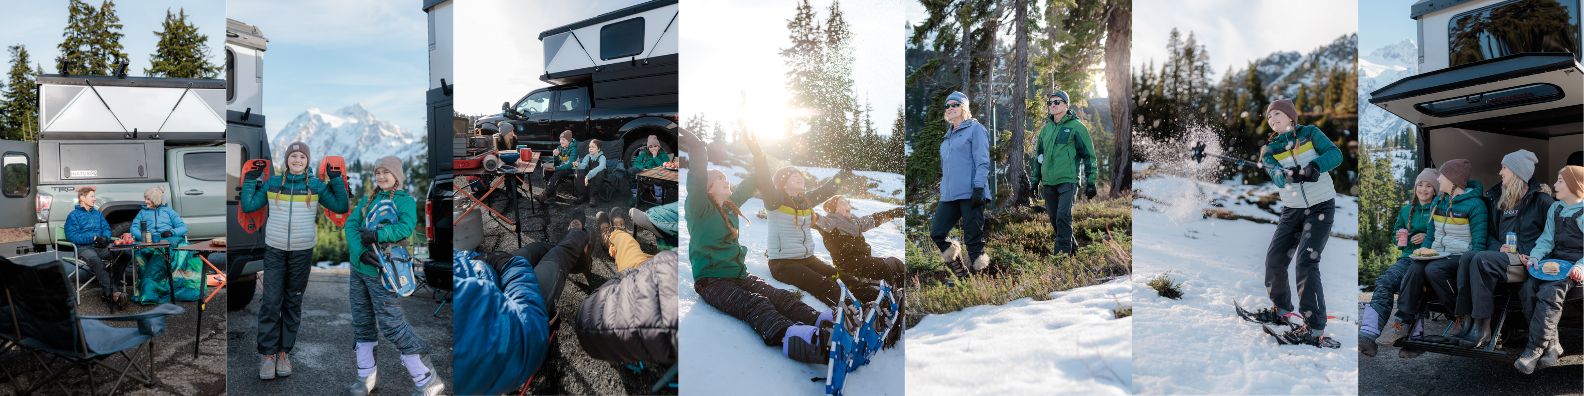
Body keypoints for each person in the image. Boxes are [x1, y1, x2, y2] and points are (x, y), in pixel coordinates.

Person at [682, 127, 834, 364]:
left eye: (724, 176)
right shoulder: (699, 208)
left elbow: (756, 178)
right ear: (707, 188)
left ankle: (823, 322)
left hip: (739, 275)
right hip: (712, 281)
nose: (725, 178)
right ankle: (793, 338)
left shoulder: (731, 205)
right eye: (718, 177)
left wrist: (759, 152)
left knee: (778, 295)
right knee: (755, 303)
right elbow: (697, 176)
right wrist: (698, 148)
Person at [239, 141, 350, 380]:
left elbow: (342, 205)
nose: (297, 160)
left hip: (301, 252)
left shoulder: (317, 186)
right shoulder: (273, 183)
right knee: (270, 302)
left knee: (292, 303)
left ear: (307, 161)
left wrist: (336, 180)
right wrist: (250, 180)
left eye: (302, 156)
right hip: (275, 250)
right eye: (293, 156)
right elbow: (248, 205)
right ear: (287, 160)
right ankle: (267, 355)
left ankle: (283, 353)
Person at [1241, 99, 1343, 346]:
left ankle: (1315, 327)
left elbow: (1335, 154)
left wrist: (1314, 166)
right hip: (1292, 210)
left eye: (1277, 114)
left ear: (1290, 117)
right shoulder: (1270, 149)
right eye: (1269, 117)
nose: (1272, 119)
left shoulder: (1310, 134)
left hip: (1320, 207)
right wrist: (1284, 175)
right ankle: (1282, 310)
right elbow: (1273, 173)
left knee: (1306, 263)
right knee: (1275, 260)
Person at [343, 156, 443, 395]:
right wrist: (359, 253)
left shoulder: (405, 200)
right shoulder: (369, 200)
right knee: (362, 323)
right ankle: (365, 377)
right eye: (377, 172)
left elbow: (406, 227)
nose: (381, 176)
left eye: (386, 172)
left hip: (385, 271)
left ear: (397, 175)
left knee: (391, 324)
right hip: (360, 270)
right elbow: (350, 226)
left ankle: (426, 378)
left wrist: (377, 235)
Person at [452, 219, 584, 394]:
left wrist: (477, 258)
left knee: (538, 248)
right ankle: (580, 236)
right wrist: (508, 265)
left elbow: (458, 259)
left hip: (490, 273)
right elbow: (521, 334)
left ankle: (577, 248)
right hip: (520, 314)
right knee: (560, 253)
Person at [1454, 150, 1553, 348]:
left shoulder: (1542, 201)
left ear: (1517, 172)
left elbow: (1551, 239)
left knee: (1482, 260)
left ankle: (1483, 328)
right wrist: (1500, 248)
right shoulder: (1500, 200)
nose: (1500, 173)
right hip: (1505, 261)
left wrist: (1526, 252)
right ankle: (1467, 322)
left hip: (1527, 262)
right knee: (1468, 257)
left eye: (1504, 168)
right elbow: (1491, 235)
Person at [1397, 158, 1488, 349]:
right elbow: (1430, 236)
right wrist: (1423, 250)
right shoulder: (1439, 201)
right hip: (1438, 253)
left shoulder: (1476, 205)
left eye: (1442, 176)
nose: (1438, 179)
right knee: (1416, 266)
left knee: (1434, 270)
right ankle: (1404, 320)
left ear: (1453, 180)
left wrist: (1471, 266)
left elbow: (1479, 244)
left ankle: (1459, 315)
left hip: (1461, 256)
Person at [763, 166, 880, 307]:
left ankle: (876, 298)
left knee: (839, 276)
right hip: (783, 264)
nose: (799, 177)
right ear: (782, 182)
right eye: (793, 176)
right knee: (823, 283)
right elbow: (764, 180)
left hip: (807, 259)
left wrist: (844, 172)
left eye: (799, 175)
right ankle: (854, 309)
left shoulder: (805, 201)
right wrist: (758, 155)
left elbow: (827, 189)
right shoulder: (775, 200)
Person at [1359, 168, 1440, 357]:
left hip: (1431, 259)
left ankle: (1414, 341)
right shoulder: (1406, 211)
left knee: (1412, 286)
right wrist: (1399, 238)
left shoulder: (1439, 210)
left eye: (1429, 185)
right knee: (1384, 281)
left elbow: (1447, 235)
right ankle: (1368, 334)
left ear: (1435, 190)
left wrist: (1428, 236)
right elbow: (1397, 237)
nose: (1423, 189)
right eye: (1420, 184)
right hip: (1408, 258)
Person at [1512, 166, 1584, 374]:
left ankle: (1533, 350)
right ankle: (1551, 345)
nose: (1554, 185)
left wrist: (1580, 267)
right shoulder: (1556, 208)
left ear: (1574, 185)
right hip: (1555, 260)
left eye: (1560, 181)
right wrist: (1535, 258)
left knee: (1549, 293)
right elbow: (1546, 240)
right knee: (1527, 288)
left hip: (1576, 265)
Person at [930, 91, 991, 278]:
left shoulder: (975, 129)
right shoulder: (947, 137)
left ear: (964, 107)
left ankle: (983, 284)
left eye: (955, 105)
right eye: (947, 106)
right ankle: (962, 274)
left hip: (971, 192)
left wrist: (979, 188)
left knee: (973, 240)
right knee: (937, 233)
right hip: (949, 195)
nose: (950, 108)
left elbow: (982, 161)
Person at [1031, 90, 1097, 255]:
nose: (1052, 105)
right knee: (1055, 219)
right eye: (1050, 103)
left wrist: (1091, 181)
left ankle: (1061, 257)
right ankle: (1073, 249)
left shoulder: (1077, 127)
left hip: (1068, 180)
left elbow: (1089, 156)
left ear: (1066, 105)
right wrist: (1034, 181)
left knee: (1062, 217)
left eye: (1057, 102)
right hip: (1048, 182)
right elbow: (1039, 156)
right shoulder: (1046, 130)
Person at [814, 196, 905, 287]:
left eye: (848, 202)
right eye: (843, 203)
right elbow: (814, 219)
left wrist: (892, 213)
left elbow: (873, 219)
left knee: (895, 264)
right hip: (848, 264)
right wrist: (805, 212)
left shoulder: (855, 221)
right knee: (887, 267)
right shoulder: (830, 221)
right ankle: (896, 294)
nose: (848, 205)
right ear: (834, 208)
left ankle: (904, 293)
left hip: (863, 261)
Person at [128, 186, 189, 305]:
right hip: (149, 242)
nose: (145, 202)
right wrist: (144, 237)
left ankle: (148, 286)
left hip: (169, 241)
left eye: (148, 199)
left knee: (163, 251)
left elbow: (183, 228)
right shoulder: (142, 212)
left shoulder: (169, 211)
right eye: (145, 199)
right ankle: (150, 285)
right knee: (143, 252)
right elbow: (133, 228)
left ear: (155, 200)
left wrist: (172, 232)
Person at [63, 186, 123, 306]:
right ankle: (114, 293)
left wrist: (105, 238)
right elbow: (72, 236)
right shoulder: (73, 215)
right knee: (96, 261)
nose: (94, 199)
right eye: (92, 196)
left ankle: (110, 289)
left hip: (100, 246)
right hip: (83, 248)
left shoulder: (97, 214)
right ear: (82, 198)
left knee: (124, 252)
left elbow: (106, 228)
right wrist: (93, 237)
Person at [538, 130, 581, 204]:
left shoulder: (574, 149)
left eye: (563, 140)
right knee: (547, 170)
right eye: (560, 139)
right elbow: (557, 163)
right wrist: (556, 156)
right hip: (562, 167)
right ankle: (551, 193)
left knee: (558, 172)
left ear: (569, 140)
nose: (561, 141)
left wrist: (556, 168)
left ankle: (545, 194)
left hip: (572, 169)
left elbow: (570, 165)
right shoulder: (560, 147)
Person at [573, 140, 608, 205]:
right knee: (579, 171)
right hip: (589, 175)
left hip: (599, 176)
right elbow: (583, 165)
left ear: (598, 149)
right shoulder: (587, 156)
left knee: (599, 172)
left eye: (593, 147)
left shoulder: (602, 157)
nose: (590, 148)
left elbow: (601, 167)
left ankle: (593, 197)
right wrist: (578, 165)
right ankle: (582, 195)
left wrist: (588, 175)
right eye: (589, 147)